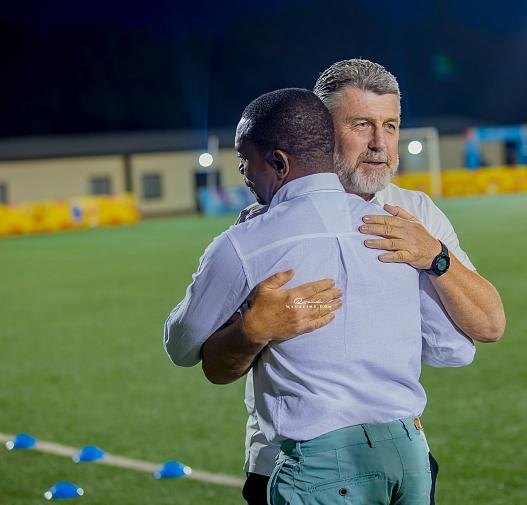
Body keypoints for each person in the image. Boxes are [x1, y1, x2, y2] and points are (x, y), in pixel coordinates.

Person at [164, 88, 478, 504]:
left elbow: (181, 346)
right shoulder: (399, 231)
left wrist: (257, 325)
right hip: (409, 453)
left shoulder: (245, 243)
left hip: (320, 465)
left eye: (245, 160)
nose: (242, 172)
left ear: (279, 162)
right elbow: (455, 349)